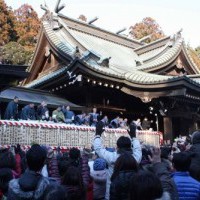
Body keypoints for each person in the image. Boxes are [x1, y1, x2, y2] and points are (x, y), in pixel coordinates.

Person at [92, 124, 142, 200]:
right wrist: (134, 137)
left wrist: (98, 135)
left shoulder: (112, 157)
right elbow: (138, 149)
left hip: (112, 194)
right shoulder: (135, 158)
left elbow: (98, 148)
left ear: (117, 147)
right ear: (130, 147)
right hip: (131, 195)